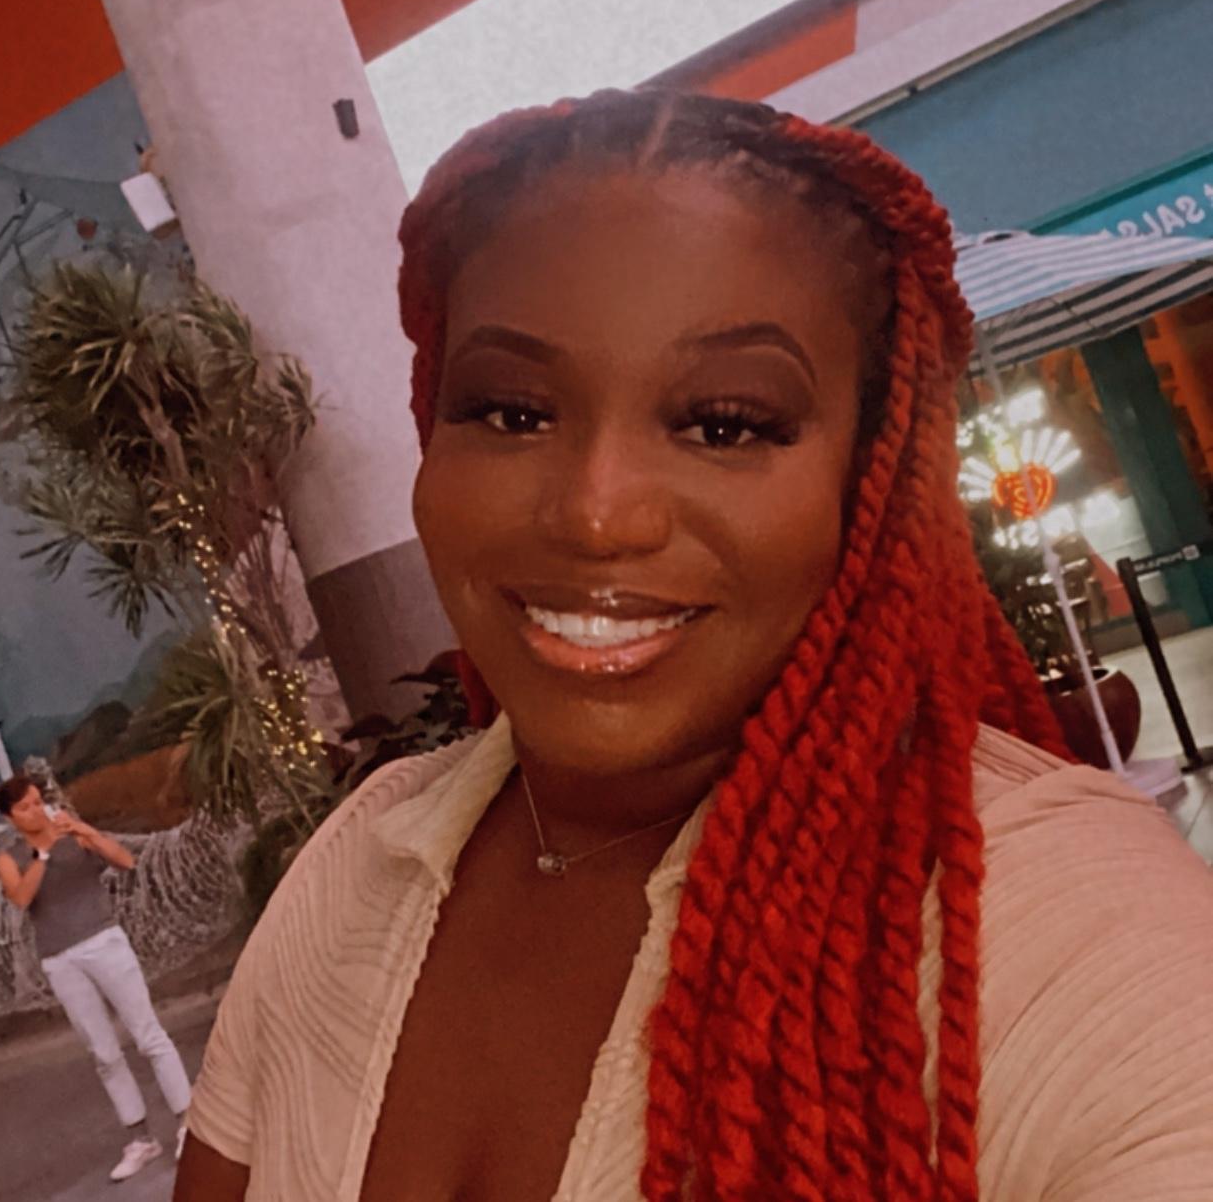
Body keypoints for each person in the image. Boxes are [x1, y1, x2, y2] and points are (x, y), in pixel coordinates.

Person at [176, 90, 1213, 1201]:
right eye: (514, 412)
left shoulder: (1078, 933)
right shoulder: (357, 860)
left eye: (725, 425)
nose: (597, 515)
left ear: (870, 478)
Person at [0, 773, 191, 1182]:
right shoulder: (10, 858)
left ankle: (189, 1124)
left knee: (148, 1034)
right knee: (103, 1052)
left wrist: (86, 832)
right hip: (60, 958)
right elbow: (22, 897)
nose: (35, 811)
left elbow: (125, 860)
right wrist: (43, 853)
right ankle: (140, 1139)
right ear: (10, 818)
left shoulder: (74, 833)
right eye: (25, 807)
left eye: (37, 801)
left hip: (104, 941)